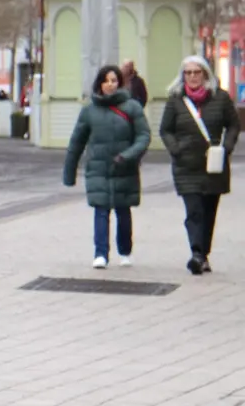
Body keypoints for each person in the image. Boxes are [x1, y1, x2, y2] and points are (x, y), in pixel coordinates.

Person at [158, 55, 240, 274]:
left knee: (208, 211)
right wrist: (175, 149)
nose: (192, 76)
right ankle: (196, 252)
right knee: (194, 210)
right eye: (188, 72)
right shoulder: (175, 100)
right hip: (186, 165)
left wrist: (226, 147)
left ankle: (203, 255)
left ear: (205, 74)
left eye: (197, 72)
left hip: (214, 165)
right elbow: (165, 129)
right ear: (182, 75)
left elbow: (233, 125)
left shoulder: (220, 98)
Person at [64, 65, 150, 269]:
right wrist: (69, 172)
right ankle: (100, 253)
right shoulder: (89, 110)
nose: (110, 84)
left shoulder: (132, 107)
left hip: (124, 167)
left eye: (114, 80)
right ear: (99, 84)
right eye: (106, 80)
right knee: (100, 210)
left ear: (120, 83)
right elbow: (77, 142)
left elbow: (143, 136)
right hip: (98, 167)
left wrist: (128, 155)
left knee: (123, 210)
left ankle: (125, 251)